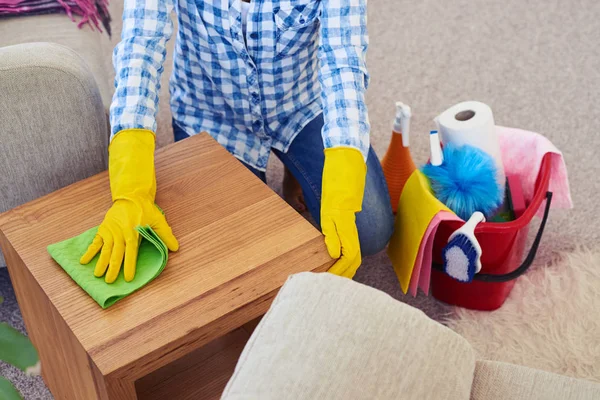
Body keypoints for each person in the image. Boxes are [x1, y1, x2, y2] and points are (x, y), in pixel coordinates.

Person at [80, 0, 394, 283]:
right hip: (212, 114)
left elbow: (344, 63)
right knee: (228, 250)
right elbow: (140, 49)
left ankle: (295, 170)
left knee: (369, 229)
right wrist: (130, 188)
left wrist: (343, 178)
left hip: (300, 106)